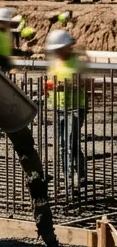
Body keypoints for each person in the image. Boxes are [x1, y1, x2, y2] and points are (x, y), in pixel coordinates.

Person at [46, 28, 87, 190]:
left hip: (76, 108)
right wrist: (50, 88)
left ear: (66, 47)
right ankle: (67, 176)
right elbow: (51, 84)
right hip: (59, 108)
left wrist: (66, 85)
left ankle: (79, 175)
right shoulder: (55, 63)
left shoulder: (77, 63)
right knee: (63, 145)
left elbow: (83, 83)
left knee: (72, 143)